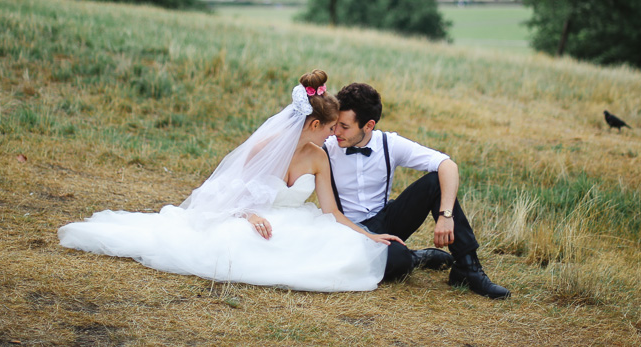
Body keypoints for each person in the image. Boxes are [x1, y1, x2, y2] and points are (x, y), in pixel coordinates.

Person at [58, 70, 401, 292]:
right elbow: (226, 193)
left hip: (295, 221)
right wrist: (248, 215)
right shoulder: (264, 150)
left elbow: (332, 213)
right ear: (314, 125)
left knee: (335, 247)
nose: (332, 136)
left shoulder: (318, 157)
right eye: (330, 128)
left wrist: (369, 234)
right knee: (239, 242)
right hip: (247, 216)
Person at [322, 82, 510, 299]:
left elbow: (447, 165)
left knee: (434, 182)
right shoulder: (326, 146)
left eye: (344, 127)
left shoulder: (388, 144)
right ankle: (415, 257)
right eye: (336, 124)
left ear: (369, 125)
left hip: (386, 219)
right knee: (398, 260)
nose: (336, 131)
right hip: (348, 231)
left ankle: (467, 268)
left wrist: (446, 215)